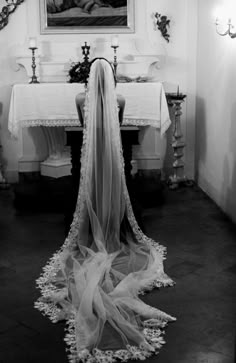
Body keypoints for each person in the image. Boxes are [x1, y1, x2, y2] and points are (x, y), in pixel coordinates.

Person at [35, 58, 175, 362]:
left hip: (91, 156)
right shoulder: (120, 98)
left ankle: (92, 226)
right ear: (111, 78)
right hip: (111, 154)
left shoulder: (78, 98)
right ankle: (114, 225)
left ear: (89, 78)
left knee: (89, 188)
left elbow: (86, 125)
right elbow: (118, 123)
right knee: (114, 187)